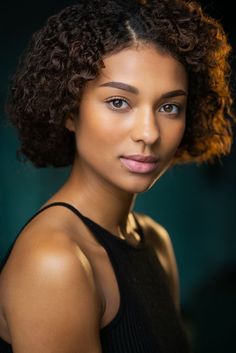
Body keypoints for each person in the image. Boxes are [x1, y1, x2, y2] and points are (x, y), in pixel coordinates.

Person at [0, 0, 234, 352]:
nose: (149, 133)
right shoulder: (53, 261)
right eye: (119, 102)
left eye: (169, 107)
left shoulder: (154, 241)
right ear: (69, 109)